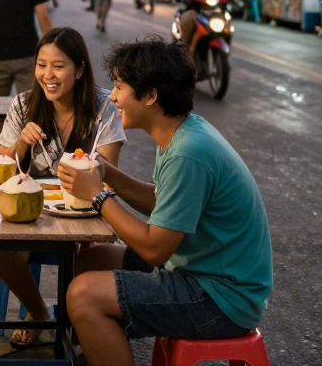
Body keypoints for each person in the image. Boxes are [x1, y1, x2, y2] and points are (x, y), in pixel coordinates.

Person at [60, 37, 272, 362]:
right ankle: (96, 348)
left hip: (222, 298)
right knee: (91, 260)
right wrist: (107, 174)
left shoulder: (188, 153)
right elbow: (163, 201)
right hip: (202, 273)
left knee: (83, 295)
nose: (113, 96)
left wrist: (98, 196)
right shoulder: (180, 132)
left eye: (120, 86)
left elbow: (155, 249)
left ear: (150, 96)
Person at [0, 28, 125, 346]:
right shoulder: (24, 106)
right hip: (33, 210)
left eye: (58, 66)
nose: (48, 75)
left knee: (90, 254)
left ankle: (81, 315)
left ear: (79, 69)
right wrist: (21, 143)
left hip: (85, 211)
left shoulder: (104, 107)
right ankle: (39, 312)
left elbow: (109, 174)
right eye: (41, 64)